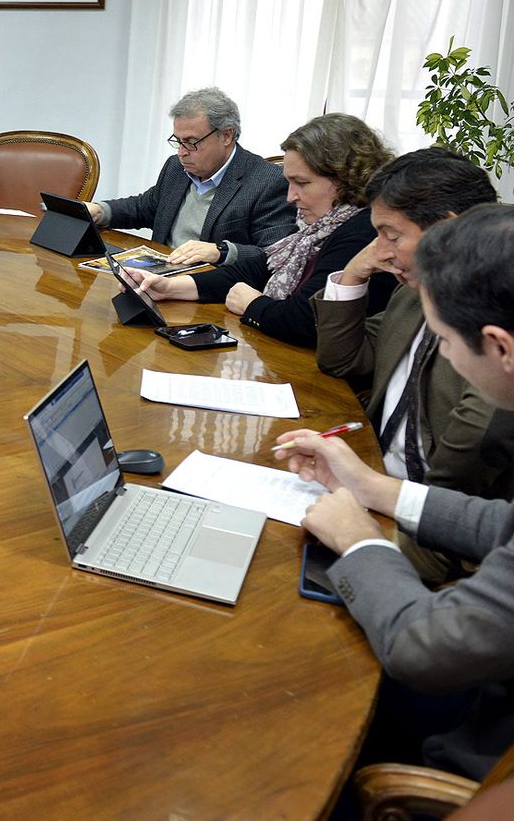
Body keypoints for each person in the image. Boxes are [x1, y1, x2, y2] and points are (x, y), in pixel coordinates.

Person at [277, 202, 514, 781]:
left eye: (444, 340)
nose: (443, 354)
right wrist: (374, 488)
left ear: (500, 347)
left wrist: (361, 542)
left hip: (474, 745)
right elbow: (502, 526)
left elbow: (422, 647)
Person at [313, 148, 514, 582]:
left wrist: (372, 509)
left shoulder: (493, 321)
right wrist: (351, 274)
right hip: (371, 481)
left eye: (391, 235)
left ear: (446, 230)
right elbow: (342, 359)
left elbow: (466, 460)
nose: (380, 251)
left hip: (440, 530)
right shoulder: (410, 296)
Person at [130, 113, 396, 347]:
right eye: (290, 182)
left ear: (345, 177)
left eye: (302, 183)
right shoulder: (320, 227)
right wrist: (169, 287)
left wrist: (252, 304)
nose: (291, 197)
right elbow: (254, 269)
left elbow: (306, 320)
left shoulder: (364, 231)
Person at [88, 87, 296, 265]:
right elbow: (145, 208)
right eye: (178, 141)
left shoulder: (267, 181)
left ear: (226, 135)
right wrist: (100, 211)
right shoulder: (176, 168)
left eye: (191, 142)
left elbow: (276, 254)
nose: (182, 152)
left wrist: (221, 252)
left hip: (212, 286)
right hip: (160, 274)